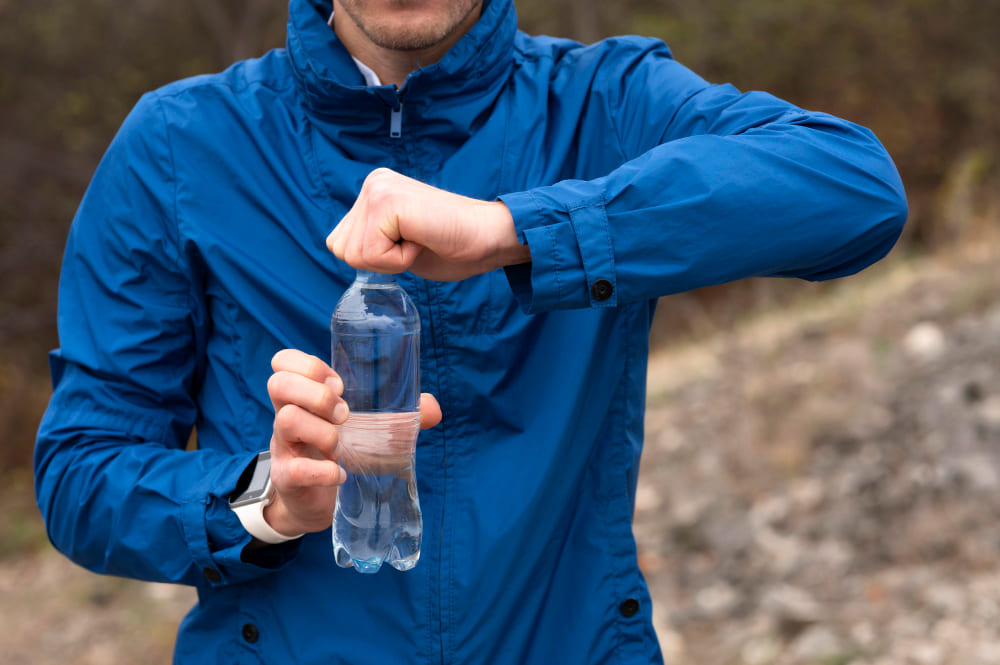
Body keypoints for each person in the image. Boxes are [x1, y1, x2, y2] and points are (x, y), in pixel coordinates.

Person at [34, 0, 908, 663]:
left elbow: (854, 190)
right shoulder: (180, 145)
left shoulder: (604, 104)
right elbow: (81, 470)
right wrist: (267, 499)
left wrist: (515, 230)